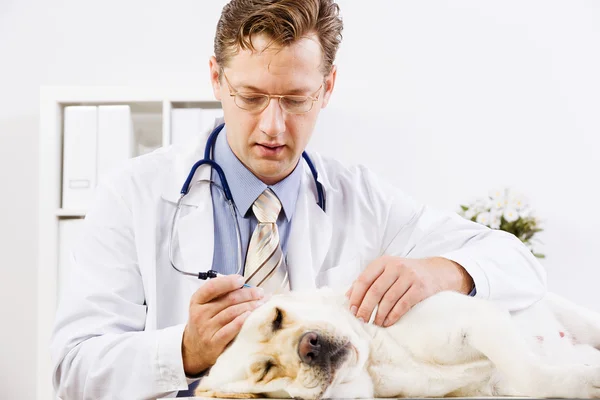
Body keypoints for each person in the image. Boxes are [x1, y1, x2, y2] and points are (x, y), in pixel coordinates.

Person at [50, 0, 547, 398]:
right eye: (250, 97)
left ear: (327, 88)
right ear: (216, 80)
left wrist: (440, 271)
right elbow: (72, 369)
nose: (272, 126)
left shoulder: (364, 199)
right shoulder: (134, 194)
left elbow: (520, 265)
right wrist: (185, 349)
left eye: (295, 99)